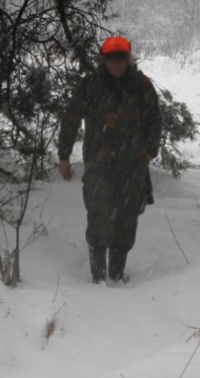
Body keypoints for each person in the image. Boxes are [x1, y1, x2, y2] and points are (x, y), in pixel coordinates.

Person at [58, 36, 162, 283]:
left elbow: (154, 122)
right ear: (103, 59)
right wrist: (64, 155)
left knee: (126, 223)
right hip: (99, 165)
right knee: (99, 218)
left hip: (132, 167)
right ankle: (98, 277)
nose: (116, 64)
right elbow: (71, 118)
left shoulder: (141, 86)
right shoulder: (90, 85)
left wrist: (148, 152)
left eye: (121, 59)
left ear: (128, 59)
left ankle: (116, 273)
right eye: (111, 59)